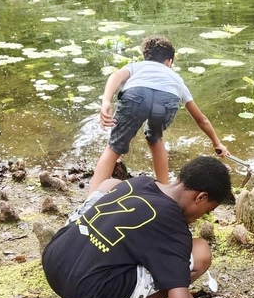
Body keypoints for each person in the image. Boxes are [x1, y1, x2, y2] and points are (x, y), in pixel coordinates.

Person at [42, 155, 234, 298]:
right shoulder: (173, 225)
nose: (202, 216)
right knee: (200, 252)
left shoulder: (141, 182)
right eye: (207, 210)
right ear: (201, 197)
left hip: (53, 260)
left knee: (110, 184)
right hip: (85, 292)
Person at [88, 35, 229, 192]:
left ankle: (91, 200)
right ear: (169, 61)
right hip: (167, 99)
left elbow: (116, 75)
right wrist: (217, 142)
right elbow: (201, 119)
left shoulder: (137, 66)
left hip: (136, 95)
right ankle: (164, 192)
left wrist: (106, 101)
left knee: (114, 147)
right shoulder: (176, 78)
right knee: (155, 139)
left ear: (145, 56)